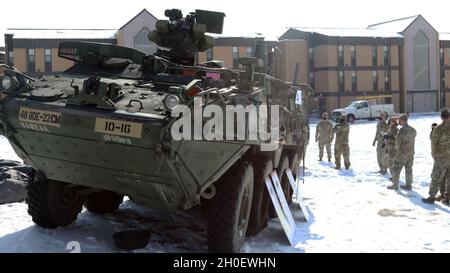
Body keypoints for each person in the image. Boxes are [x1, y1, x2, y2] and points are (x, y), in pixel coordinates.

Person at [422, 108, 450, 205]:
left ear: (441, 117)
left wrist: (434, 155)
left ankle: (432, 197)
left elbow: (434, 144)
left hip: (442, 157)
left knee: (436, 176)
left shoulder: (438, 128)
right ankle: (447, 198)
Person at [387, 114, 417, 190]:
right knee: (409, 169)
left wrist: (396, 152)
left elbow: (397, 142)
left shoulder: (402, 130)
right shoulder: (413, 130)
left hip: (402, 153)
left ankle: (395, 184)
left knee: (396, 168)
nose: (398, 122)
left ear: (403, 120)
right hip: (410, 153)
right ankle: (408, 184)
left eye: (399, 120)